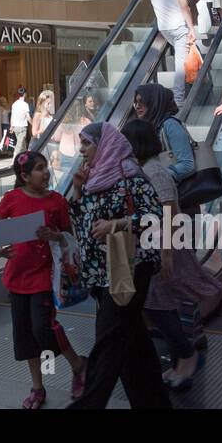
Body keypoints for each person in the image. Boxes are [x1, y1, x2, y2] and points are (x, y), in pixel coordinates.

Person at [66, 122, 169, 409]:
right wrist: (77, 189)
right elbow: (84, 224)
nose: (82, 149)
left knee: (109, 340)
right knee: (134, 343)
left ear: (105, 144)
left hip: (130, 269)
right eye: (82, 143)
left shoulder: (131, 178)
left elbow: (156, 219)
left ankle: (89, 404)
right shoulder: (94, 178)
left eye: (87, 143)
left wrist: (117, 224)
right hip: (101, 273)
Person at [124, 119, 222, 390]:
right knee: (159, 306)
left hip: (165, 247)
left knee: (159, 307)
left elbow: (169, 211)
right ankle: (183, 360)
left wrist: (166, 253)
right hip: (157, 247)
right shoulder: (146, 169)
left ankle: (188, 357)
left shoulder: (155, 172)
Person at [0, 150, 87, 407]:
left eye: (45, 166)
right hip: (16, 276)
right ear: (24, 176)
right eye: (39, 168)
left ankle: (78, 365)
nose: (45, 172)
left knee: (42, 328)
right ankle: (37, 387)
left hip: (45, 277)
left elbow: (69, 237)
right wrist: (0, 249)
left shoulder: (57, 201)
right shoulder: (11, 199)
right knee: (23, 336)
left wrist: (53, 236)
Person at [141, 0, 198, 105]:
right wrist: (191, 28)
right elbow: (185, 7)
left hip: (164, 29)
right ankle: (178, 99)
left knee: (183, 54)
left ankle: (188, 85)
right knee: (180, 63)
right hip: (179, 28)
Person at [131, 83, 193, 186]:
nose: (137, 106)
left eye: (142, 102)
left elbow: (187, 165)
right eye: (136, 102)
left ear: (154, 102)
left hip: (174, 194)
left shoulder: (170, 125)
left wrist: (154, 177)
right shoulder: (148, 127)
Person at [9, 87, 31, 153]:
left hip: (15, 127)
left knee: (23, 145)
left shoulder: (14, 104)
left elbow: (12, 116)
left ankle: (24, 159)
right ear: (25, 94)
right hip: (22, 127)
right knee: (19, 146)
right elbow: (28, 117)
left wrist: (11, 126)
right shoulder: (25, 104)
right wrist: (33, 124)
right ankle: (14, 161)